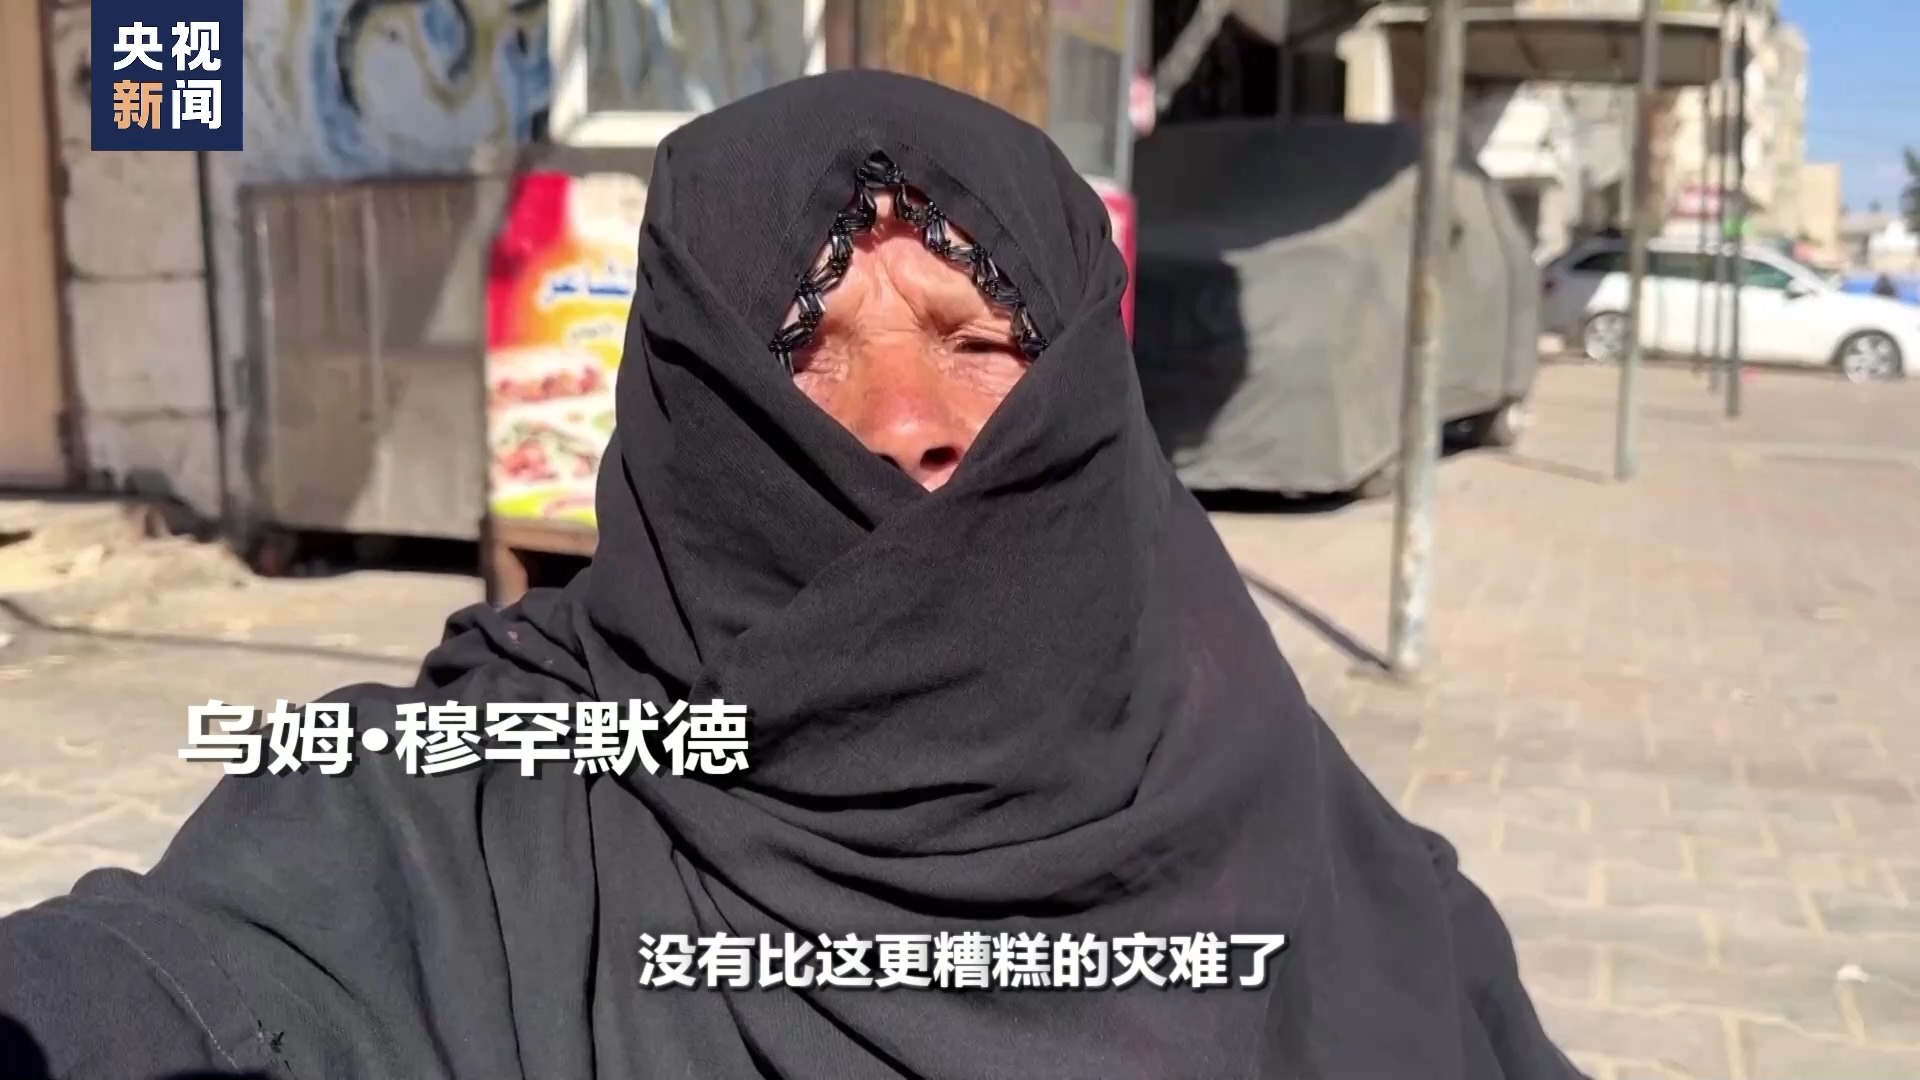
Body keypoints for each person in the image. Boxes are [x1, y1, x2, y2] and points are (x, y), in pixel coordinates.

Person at [0, 71, 1582, 1079]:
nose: (904, 422)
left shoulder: (1320, 853)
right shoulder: (452, 828)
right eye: (804, 355)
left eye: (979, 345)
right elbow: (170, 989)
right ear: (692, 412)